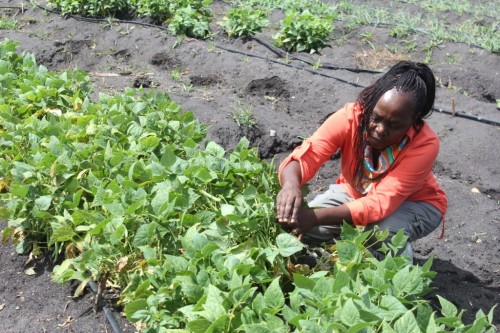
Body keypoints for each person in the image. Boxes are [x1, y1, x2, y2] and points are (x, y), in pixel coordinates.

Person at [275, 60, 447, 260]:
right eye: (376, 118)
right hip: (356, 194)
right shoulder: (351, 117)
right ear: (370, 105)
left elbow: (381, 203)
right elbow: (309, 153)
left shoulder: (424, 144)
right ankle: (346, 253)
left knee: (380, 233)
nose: (380, 130)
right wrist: (290, 185)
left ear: (413, 121)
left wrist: (315, 217)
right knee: (303, 228)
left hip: (415, 203)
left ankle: (400, 268)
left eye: (395, 125)